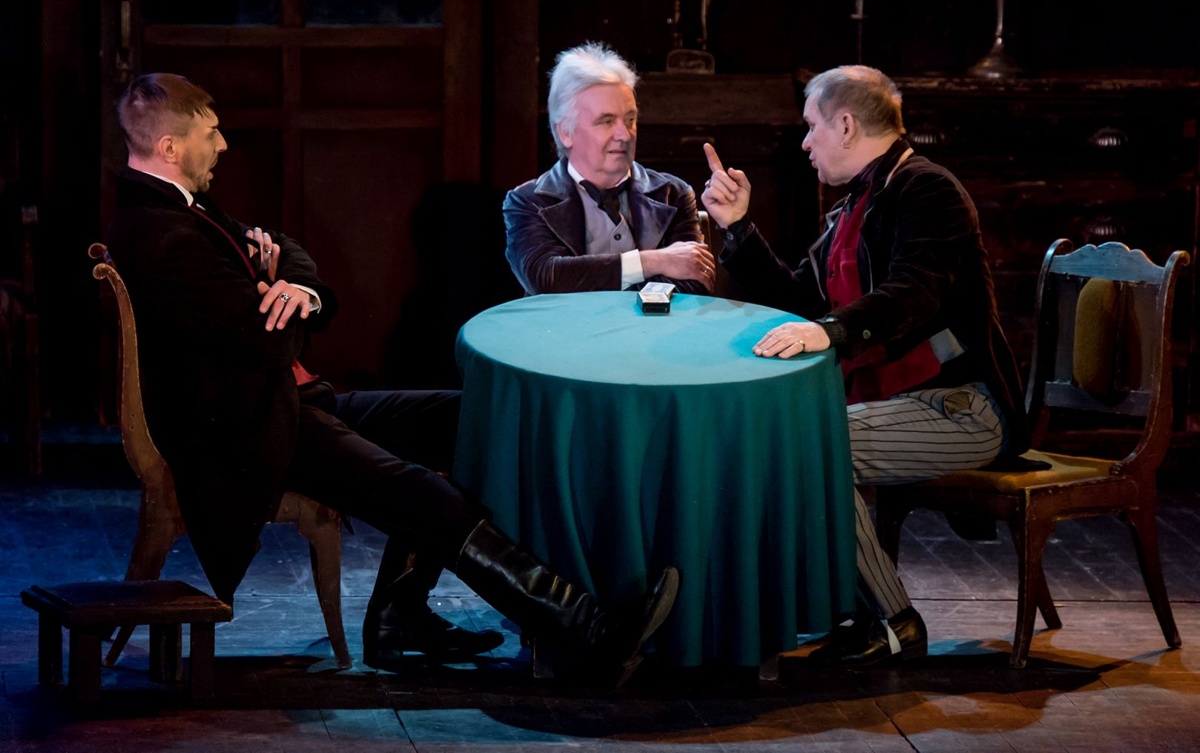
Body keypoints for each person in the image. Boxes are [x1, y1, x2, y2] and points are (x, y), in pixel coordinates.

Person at [104, 72, 678, 686]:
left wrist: (292, 288)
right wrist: (278, 292)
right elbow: (269, 342)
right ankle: (590, 632)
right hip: (249, 431)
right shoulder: (162, 234)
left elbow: (288, 253)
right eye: (211, 134)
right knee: (419, 492)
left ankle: (399, 618)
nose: (223, 145)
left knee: (465, 418)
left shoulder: (184, 211)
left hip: (288, 404)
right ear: (170, 147)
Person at [700, 65, 1030, 666]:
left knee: (811, 444)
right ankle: (830, 609)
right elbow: (802, 302)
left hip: (962, 406)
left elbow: (914, 293)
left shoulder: (926, 190)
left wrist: (830, 332)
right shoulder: (854, 208)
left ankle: (894, 622)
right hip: (902, 406)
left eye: (812, 127)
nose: (805, 143)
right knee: (786, 440)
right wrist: (738, 228)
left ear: (846, 125)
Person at [503, 42, 716, 295]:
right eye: (606, 121)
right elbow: (546, 278)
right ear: (565, 132)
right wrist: (652, 262)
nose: (624, 135)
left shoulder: (673, 193)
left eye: (630, 119)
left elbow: (694, 282)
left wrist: (592, 283)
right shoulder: (528, 202)